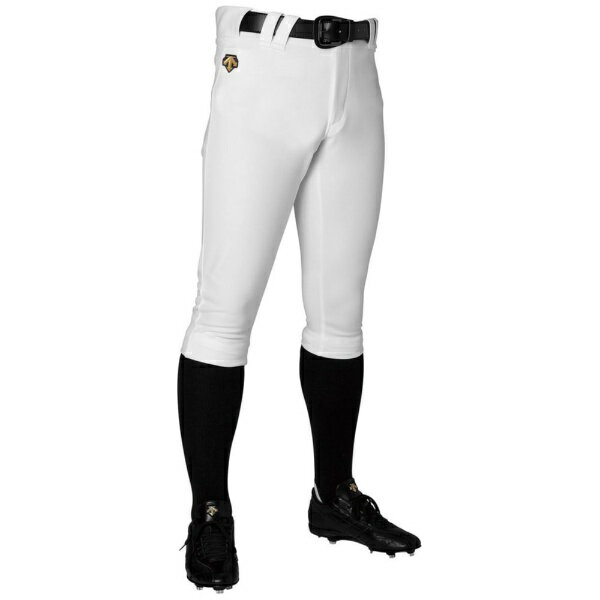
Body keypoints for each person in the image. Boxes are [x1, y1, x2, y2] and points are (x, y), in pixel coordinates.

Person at [178, 7, 421, 592]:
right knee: (224, 313)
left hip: (358, 66)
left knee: (340, 314)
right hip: (266, 60)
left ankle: (333, 495)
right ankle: (210, 512)